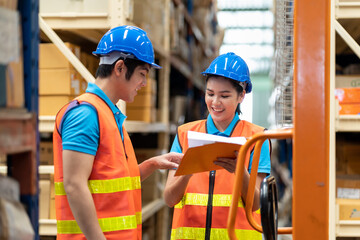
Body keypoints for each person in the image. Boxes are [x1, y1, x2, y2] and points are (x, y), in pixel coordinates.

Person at [53, 25, 183, 240]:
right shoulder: (85, 115)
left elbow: (116, 183)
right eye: (142, 74)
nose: (144, 83)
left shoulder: (109, 115)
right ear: (120, 68)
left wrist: (153, 164)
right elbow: (74, 185)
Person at [164, 52, 271, 240]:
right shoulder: (184, 134)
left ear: (241, 96)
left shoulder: (257, 139)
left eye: (224, 95)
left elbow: (254, 204)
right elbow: (169, 199)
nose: (215, 102)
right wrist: (188, 170)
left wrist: (240, 172)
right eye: (210, 93)